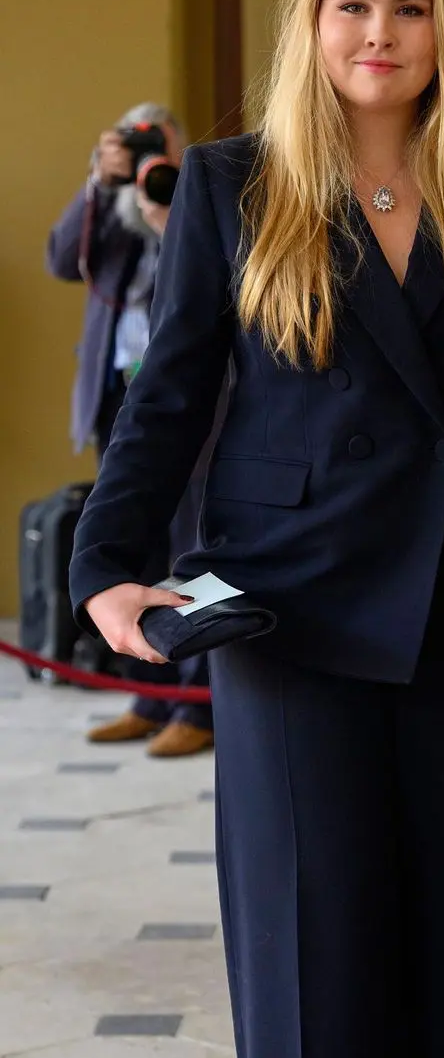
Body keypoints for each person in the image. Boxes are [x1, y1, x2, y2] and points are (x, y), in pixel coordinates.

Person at [68, 0, 444, 1058]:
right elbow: (170, 398)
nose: (379, 33)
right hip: (291, 616)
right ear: (313, 22)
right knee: (315, 978)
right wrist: (108, 565)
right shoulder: (233, 184)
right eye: (354, 5)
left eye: (411, 7)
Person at [46, 105, 215, 757]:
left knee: (190, 548)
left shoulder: (195, 197)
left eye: (160, 144)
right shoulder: (110, 212)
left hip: (191, 404)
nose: (150, 160)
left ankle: (198, 705)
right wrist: (98, 182)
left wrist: (168, 214)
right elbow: (62, 260)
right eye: (136, 143)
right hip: (117, 394)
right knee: (133, 547)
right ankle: (152, 694)